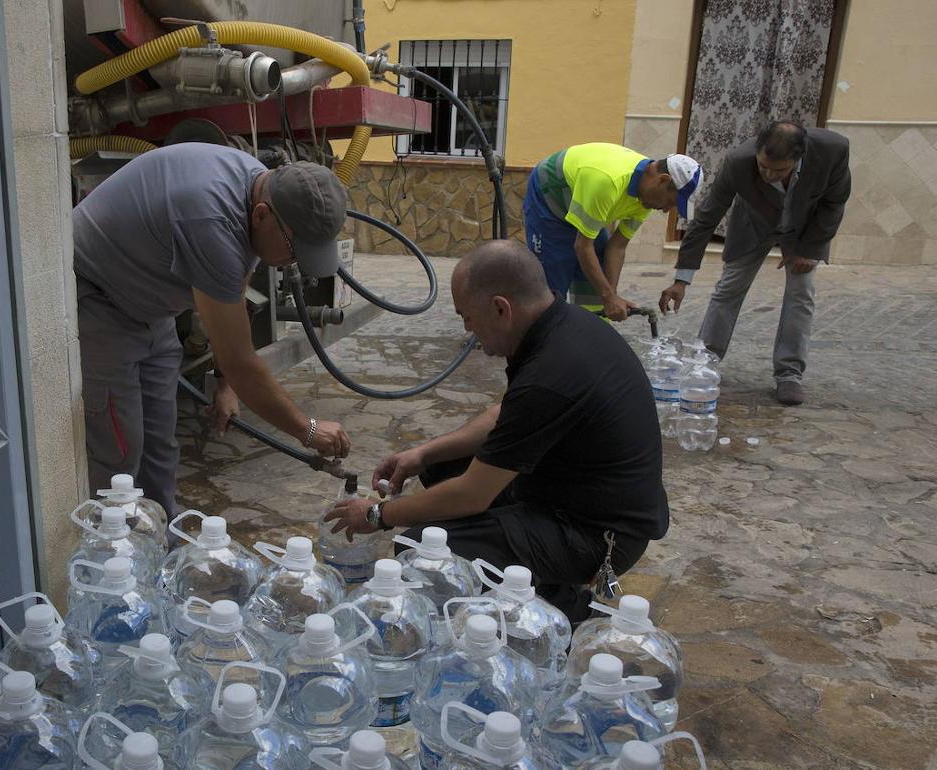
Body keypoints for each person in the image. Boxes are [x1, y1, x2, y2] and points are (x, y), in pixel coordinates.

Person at [324, 240, 669, 621]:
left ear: (501, 309)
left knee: (422, 547)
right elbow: (505, 416)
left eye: (467, 317)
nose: (468, 330)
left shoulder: (552, 372)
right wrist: (424, 455)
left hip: (597, 535)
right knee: (442, 469)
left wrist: (377, 514)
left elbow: (473, 494)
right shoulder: (561, 326)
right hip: (573, 495)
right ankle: (531, 582)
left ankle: (567, 615)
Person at [74, 143, 352, 515]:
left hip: (151, 306)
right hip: (98, 299)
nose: (293, 263)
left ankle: (161, 548)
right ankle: (116, 556)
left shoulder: (260, 185)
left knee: (159, 447)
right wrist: (309, 428)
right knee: (120, 451)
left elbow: (235, 292)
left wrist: (224, 384)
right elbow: (240, 358)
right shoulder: (210, 220)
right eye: (294, 249)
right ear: (262, 216)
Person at [659, 121, 851, 406]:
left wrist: (809, 250)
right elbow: (706, 218)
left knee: (801, 293)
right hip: (753, 225)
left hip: (805, 230)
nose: (770, 175)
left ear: (800, 158)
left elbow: (834, 202)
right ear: (757, 151)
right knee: (728, 288)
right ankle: (706, 360)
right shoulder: (738, 161)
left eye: (780, 170)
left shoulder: (833, 150)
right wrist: (682, 279)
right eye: (764, 168)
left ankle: (789, 373)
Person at [525, 143, 703, 319]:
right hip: (550, 198)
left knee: (598, 271)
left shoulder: (646, 199)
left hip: (586, 199)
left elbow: (617, 247)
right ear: (662, 180)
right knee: (551, 287)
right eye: (671, 202)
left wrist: (612, 297)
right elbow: (582, 247)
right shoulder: (608, 182)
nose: (665, 210)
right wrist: (608, 297)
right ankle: (546, 339)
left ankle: (590, 335)